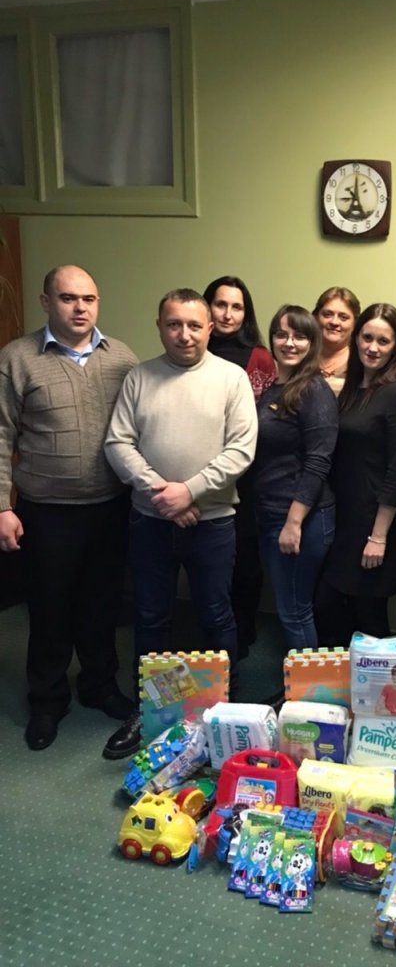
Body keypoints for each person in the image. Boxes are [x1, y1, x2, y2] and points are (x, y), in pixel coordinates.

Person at [102, 288, 257, 759]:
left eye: (193, 325)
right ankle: (148, 710)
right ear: (160, 327)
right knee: (152, 617)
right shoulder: (139, 377)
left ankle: (226, 709)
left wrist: (189, 491)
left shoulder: (231, 378)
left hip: (213, 524)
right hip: (150, 522)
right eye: (174, 324)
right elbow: (118, 443)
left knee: (216, 614)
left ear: (209, 328)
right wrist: (163, 494)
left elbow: (241, 449)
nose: (184, 334)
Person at [0, 264, 137, 751]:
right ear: (46, 302)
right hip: (46, 511)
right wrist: (2, 507)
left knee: (102, 604)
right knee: (49, 608)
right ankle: (47, 699)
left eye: (89, 299)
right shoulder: (17, 359)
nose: (80, 308)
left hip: (109, 507)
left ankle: (99, 685)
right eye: (68, 298)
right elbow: (1, 435)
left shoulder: (121, 358)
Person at [314, 303, 396, 644]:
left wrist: (378, 536)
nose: (373, 347)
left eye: (383, 341)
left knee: (368, 615)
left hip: (373, 522)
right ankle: (344, 676)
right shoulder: (353, 389)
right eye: (367, 338)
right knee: (333, 608)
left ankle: (374, 679)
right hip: (344, 515)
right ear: (356, 339)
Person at [251, 304, 338, 652]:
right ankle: (301, 681)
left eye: (299, 336)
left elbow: (319, 460)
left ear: (312, 342)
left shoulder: (314, 389)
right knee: (289, 607)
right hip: (271, 511)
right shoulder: (274, 387)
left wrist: (293, 522)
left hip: (301, 518)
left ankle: (308, 686)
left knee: (295, 612)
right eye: (281, 334)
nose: (289, 343)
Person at [202, 276, 276, 659]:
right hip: (199, 472)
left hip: (247, 475)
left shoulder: (259, 357)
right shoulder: (192, 349)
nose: (228, 314)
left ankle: (242, 628)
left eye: (237, 307)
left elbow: (267, 419)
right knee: (206, 555)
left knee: (244, 555)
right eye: (220, 304)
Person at [312, 287, 361, 396]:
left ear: (355, 323)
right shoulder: (301, 359)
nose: (334, 322)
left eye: (343, 317)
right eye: (327, 314)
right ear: (315, 317)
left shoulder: (360, 364)